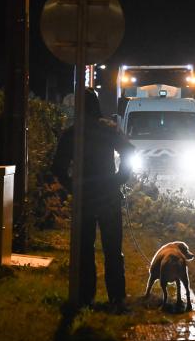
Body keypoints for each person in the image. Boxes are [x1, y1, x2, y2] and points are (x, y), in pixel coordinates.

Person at [52, 88, 135, 308]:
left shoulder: (72, 134)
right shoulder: (107, 129)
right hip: (108, 195)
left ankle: (85, 297)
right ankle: (117, 298)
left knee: (84, 250)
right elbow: (129, 152)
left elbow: (57, 167)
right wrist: (119, 178)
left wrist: (72, 187)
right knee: (112, 250)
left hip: (85, 197)